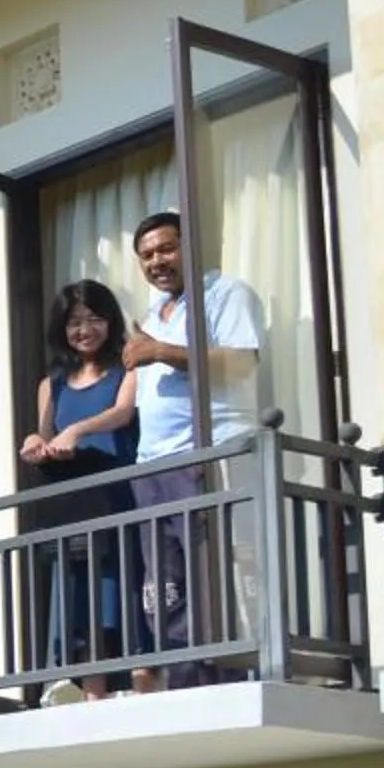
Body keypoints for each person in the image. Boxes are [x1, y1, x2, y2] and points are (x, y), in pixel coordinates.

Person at [119, 210, 263, 690]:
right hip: (153, 463)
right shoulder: (156, 312)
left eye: (165, 248)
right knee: (164, 583)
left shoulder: (224, 294)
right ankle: (183, 678)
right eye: (146, 255)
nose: (156, 261)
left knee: (220, 565)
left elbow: (241, 364)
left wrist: (161, 352)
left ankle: (238, 670)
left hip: (210, 450)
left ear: (190, 244)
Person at [21, 280, 139, 700]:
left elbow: (123, 413)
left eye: (93, 319)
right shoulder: (51, 383)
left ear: (110, 322)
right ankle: (92, 695)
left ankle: (139, 685)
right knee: (77, 598)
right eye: (74, 322)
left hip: (114, 493)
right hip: (70, 501)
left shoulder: (129, 369)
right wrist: (36, 444)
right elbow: (46, 434)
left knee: (116, 590)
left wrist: (78, 429)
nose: (84, 329)